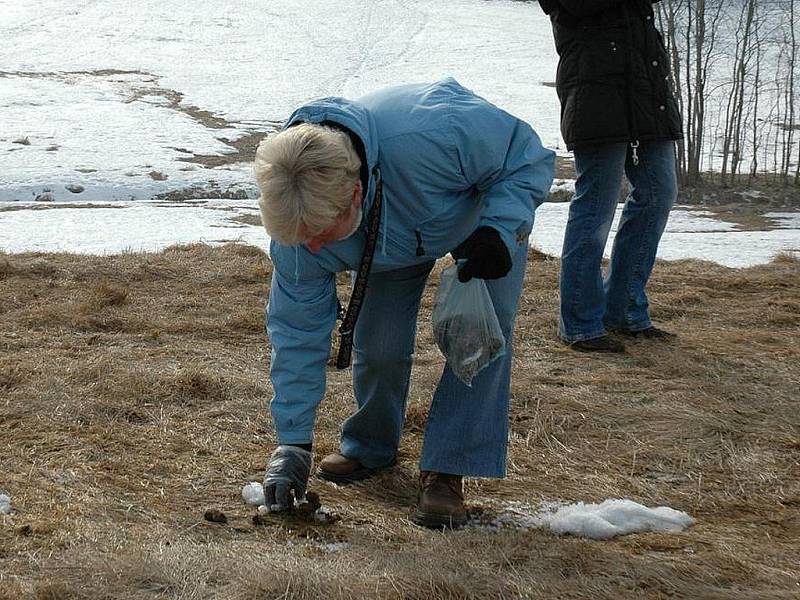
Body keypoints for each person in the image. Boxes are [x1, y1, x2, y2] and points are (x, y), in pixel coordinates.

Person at [254, 78, 554, 528]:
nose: (312, 249)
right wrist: (292, 444)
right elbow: (297, 334)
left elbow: (526, 156)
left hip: (475, 227)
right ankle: (371, 447)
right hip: (385, 241)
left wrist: (499, 227)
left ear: (353, 197)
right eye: (301, 238)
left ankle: (447, 469)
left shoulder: (440, 131)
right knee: (379, 347)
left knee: (478, 341)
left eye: (320, 234)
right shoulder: (301, 236)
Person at [539, 0, 682, 352]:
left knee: (659, 191)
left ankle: (625, 311)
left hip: (645, 88)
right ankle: (581, 324)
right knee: (596, 208)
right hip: (595, 91)